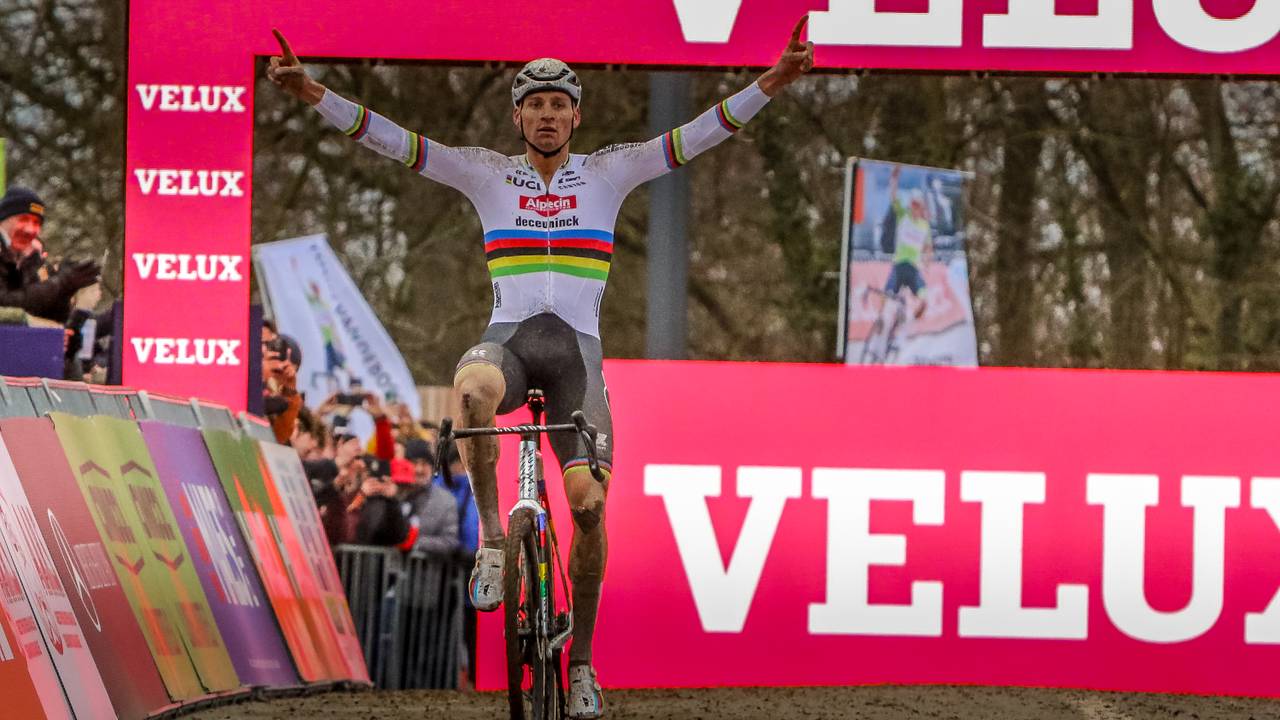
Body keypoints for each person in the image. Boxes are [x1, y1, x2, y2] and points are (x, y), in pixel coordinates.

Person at [267, 20, 814, 717]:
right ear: (518, 114)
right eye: (536, 104)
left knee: (588, 507)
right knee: (470, 390)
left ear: (576, 116)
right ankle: (494, 542)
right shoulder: (486, 171)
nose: (548, 115)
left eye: (560, 105)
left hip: (577, 360)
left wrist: (773, 81)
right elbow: (394, 141)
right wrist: (312, 90)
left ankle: (582, 661)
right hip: (509, 342)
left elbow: (698, 136)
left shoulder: (610, 170)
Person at [0, 187, 100, 324]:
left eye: (36, 223)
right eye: (23, 219)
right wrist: (61, 282)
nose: (30, 229)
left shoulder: (28, 257)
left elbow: (52, 316)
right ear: (3, 220)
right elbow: (7, 305)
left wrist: (67, 289)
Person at [883, 165, 932, 320]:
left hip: (913, 266)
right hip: (899, 263)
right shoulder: (904, 215)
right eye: (913, 204)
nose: (915, 208)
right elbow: (893, 197)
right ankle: (885, 318)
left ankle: (915, 312)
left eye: (918, 205)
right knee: (889, 293)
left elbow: (928, 247)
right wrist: (894, 179)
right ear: (911, 205)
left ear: (921, 207)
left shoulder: (924, 226)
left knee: (923, 291)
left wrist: (927, 260)